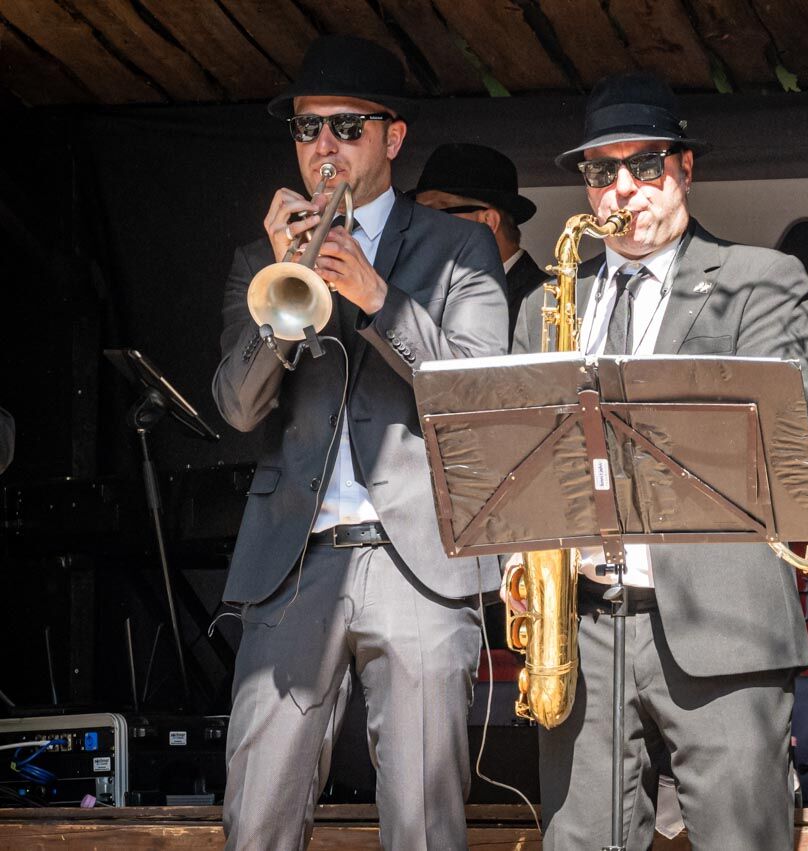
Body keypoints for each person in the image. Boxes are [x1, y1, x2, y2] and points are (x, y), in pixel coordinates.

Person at [507, 71, 808, 849]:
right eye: (601, 171)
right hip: (584, 624)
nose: (622, 189)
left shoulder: (761, 280)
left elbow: (778, 428)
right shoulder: (546, 300)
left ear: (685, 168)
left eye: (645, 165)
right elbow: (518, 456)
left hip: (721, 622)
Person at [211, 35, 508, 850]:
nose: (324, 148)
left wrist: (379, 296)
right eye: (308, 129)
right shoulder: (258, 259)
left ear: (393, 136)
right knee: (256, 817)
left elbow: (480, 395)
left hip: (418, 562)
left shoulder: (459, 248)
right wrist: (282, 300)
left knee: (423, 824)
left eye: (347, 127)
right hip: (295, 562)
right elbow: (236, 407)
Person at [414, 143, 545, 346]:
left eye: (435, 212)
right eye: (418, 215)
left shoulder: (544, 302)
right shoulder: (427, 297)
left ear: (487, 223)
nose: (421, 226)